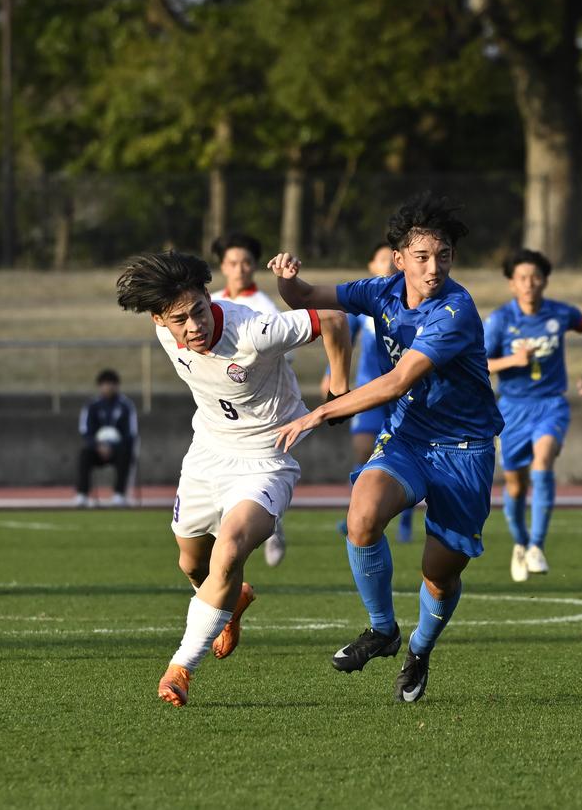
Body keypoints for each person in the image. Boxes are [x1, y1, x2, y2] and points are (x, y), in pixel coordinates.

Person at [270, 191, 504, 704]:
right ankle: (383, 629)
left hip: (464, 450)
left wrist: (321, 411)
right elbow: (307, 295)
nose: (433, 267)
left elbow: (398, 381)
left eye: (443, 256)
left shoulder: (456, 310)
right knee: (362, 515)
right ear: (399, 259)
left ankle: (419, 649)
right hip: (407, 438)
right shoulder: (380, 291)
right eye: (422, 256)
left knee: (438, 576)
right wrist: (287, 281)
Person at [115, 251, 350, 707]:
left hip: (266, 459)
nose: (194, 326)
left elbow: (334, 320)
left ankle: (181, 668)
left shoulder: (254, 331)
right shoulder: (165, 331)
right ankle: (230, 602)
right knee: (193, 565)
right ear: (158, 320)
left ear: (209, 296)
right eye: (179, 320)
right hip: (206, 455)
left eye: (199, 311)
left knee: (229, 549)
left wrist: (338, 390)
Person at [484, 249, 582, 582]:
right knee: (515, 486)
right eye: (522, 278)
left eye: (535, 277)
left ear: (545, 281)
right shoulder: (500, 321)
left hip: (551, 404)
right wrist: (513, 361)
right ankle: (520, 543)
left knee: (544, 460)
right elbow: (478, 363)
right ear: (511, 284)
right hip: (512, 409)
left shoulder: (561, 313)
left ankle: (537, 545)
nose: (529, 284)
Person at [321, 242, 416, 542]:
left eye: (392, 259)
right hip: (368, 390)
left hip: (405, 392)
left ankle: (404, 521)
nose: (388, 264)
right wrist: (331, 375)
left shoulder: (413, 299)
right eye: (382, 259)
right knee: (363, 450)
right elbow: (341, 336)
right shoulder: (366, 302)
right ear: (371, 265)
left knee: (407, 454)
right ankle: (358, 513)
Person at [211, 231, 289, 566]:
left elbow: (281, 355)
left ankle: (272, 524)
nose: (239, 269)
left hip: (261, 408)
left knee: (261, 474)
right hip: (222, 408)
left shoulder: (264, 308)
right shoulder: (210, 303)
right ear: (222, 266)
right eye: (232, 263)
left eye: (246, 262)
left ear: (255, 266)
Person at [75, 369, 138, 508]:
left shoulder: (126, 406)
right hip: (97, 449)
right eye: (104, 384)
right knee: (84, 454)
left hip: (118, 450)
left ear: (117, 386)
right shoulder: (92, 406)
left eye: (111, 384)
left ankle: (119, 494)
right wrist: (98, 445)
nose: (108, 387)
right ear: (99, 386)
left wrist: (113, 446)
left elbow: (131, 433)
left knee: (126, 453)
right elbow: (85, 431)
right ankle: (82, 494)